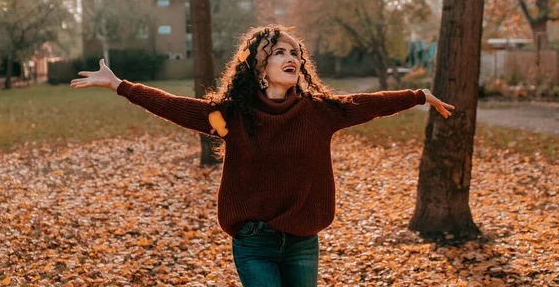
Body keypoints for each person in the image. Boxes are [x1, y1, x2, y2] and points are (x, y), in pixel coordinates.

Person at [70, 25, 454, 287]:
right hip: (254, 242)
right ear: (259, 65)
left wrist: (417, 96)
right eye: (280, 52)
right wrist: (120, 85)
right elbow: (174, 106)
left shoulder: (319, 113)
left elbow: (368, 103)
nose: (292, 58)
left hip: (303, 240)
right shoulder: (231, 117)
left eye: (296, 53)